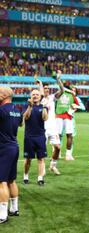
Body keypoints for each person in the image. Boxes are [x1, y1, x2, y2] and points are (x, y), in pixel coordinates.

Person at [0, 87, 22, 224]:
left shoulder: (1, 111)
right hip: (14, 146)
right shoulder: (17, 110)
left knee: (1, 182)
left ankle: (2, 215)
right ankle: (14, 209)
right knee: (11, 180)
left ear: (5, 95)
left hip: (3, 148)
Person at [37, 71, 64, 175]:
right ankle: (42, 169)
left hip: (53, 128)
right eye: (45, 89)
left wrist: (58, 79)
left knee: (57, 147)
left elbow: (62, 90)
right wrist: (40, 85)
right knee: (42, 150)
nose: (47, 90)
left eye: (48, 89)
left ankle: (53, 165)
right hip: (42, 128)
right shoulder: (39, 99)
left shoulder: (53, 97)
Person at [23, 89, 48, 186]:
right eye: (33, 94)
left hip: (40, 136)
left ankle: (40, 178)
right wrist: (30, 106)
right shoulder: (26, 105)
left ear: (40, 96)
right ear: (30, 96)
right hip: (29, 137)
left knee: (41, 158)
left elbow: (45, 118)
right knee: (28, 159)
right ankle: (25, 175)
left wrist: (45, 107)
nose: (35, 96)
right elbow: (25, 117)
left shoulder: (43, 106)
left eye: (37, 94)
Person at [55, 82, 79, 161]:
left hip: (60, 116)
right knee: (69, 135)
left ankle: (58, 153)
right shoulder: (72, 95)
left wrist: (72, 110)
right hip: (66, 116)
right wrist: (72, 110)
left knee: (59, 135)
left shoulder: (60, 93)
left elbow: (76, 105)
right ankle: (67, 155)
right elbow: (77, 105)